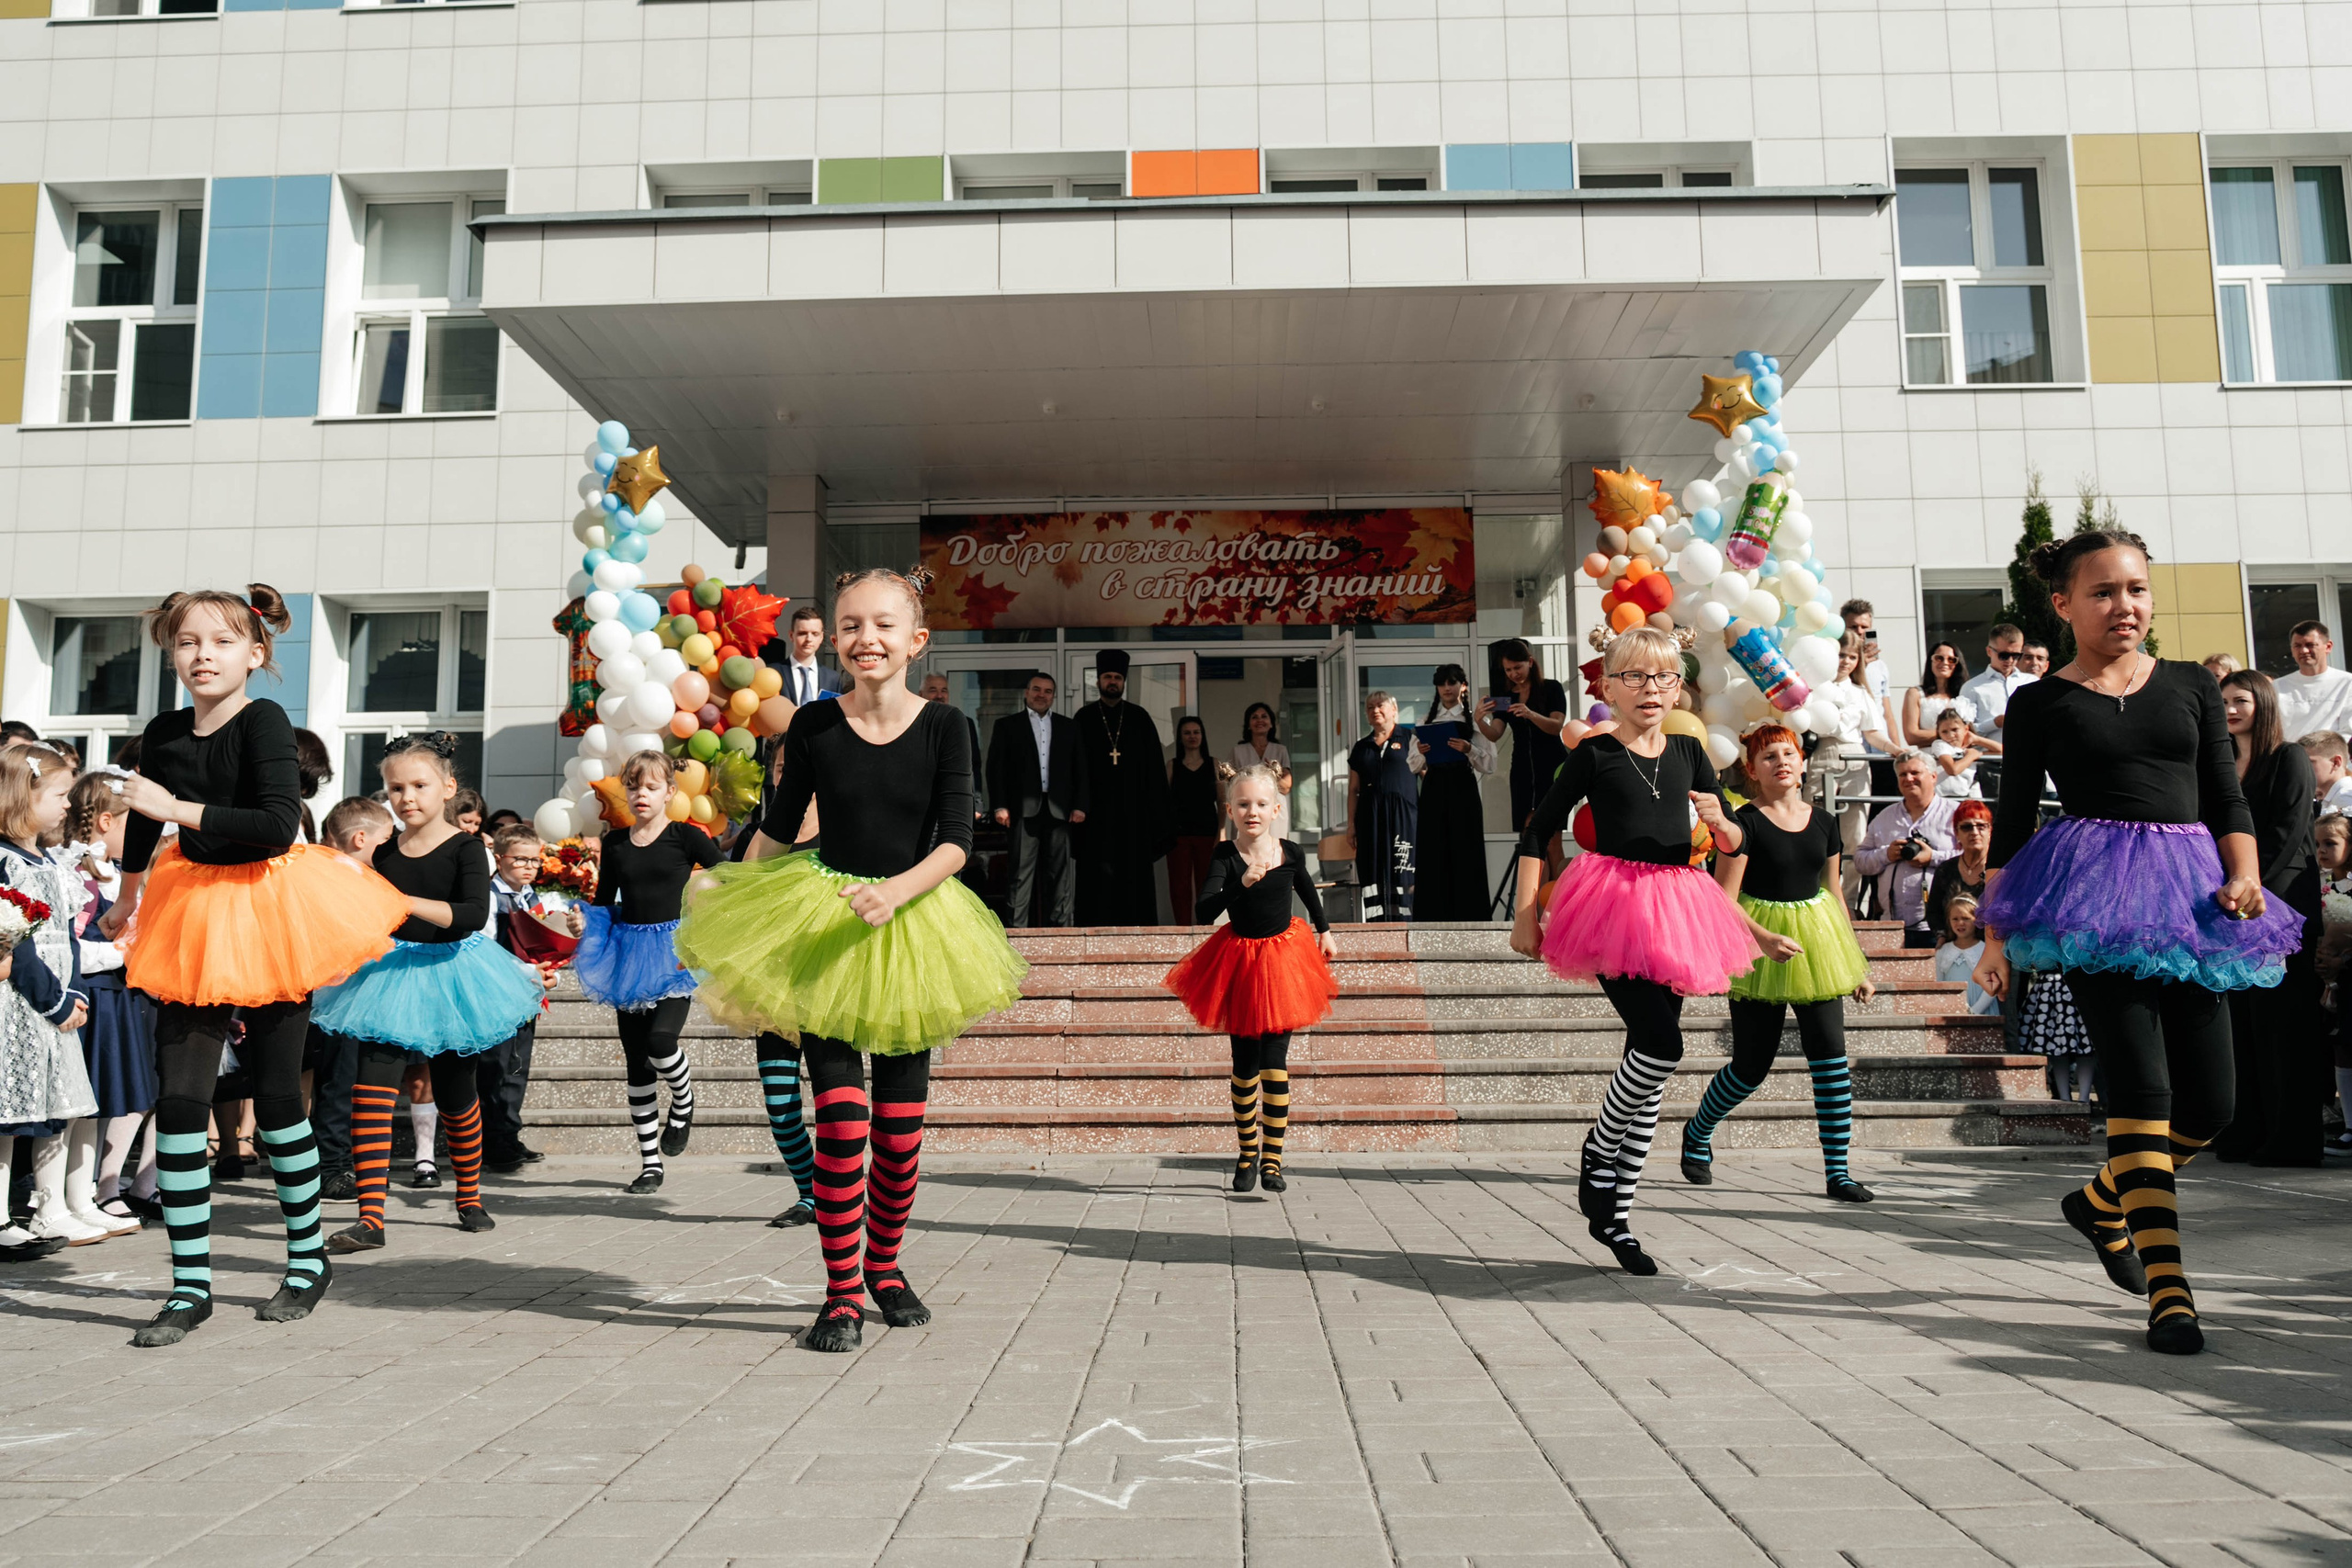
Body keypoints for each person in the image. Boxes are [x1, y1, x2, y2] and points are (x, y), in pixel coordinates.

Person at [675, 567, 1027, 1352]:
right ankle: (839, 1292)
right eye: (851, 625)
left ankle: (888, 1268)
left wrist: (895, 892)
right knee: (841, 1124)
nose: (867, 638)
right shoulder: (812, 726)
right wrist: (725, 888)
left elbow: (957, 844)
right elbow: (775, 823)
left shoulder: (947, 727)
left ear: (916, 640)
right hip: (825, 924)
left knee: (899, 1132)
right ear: (833, 637)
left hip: (914, 928)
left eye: (884, 625)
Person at [1976, 529, 2301, 1357]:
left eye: (2137, 590)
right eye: (2104, 592)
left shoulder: (2192, 685)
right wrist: (1995, 936)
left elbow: (2226, 798)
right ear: (2063, 604)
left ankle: (2097, 1200)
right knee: (2142, 1095)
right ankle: (2171, 1293)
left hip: (2194, 898)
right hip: (2093, 902)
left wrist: (2248, 877)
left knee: (2214, 1105)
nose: (2125, 606)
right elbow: (2011, 826)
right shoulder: (2039, 702)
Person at [101, 586, 412, 1347]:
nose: (202, 654)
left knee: (277, 1098)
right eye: (186, 642)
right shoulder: (166, 730)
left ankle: (307, 1260)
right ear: (171, 654)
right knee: (179, 1102)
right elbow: (142, 818)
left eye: (220, 641)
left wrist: (174, 810)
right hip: (192, 911)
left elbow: (276, 826)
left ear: (255, 653)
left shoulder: (264, 720)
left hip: (272, 907)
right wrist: (126, 895)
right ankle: (189, 1286)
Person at [1510, 627, 1756, 1276]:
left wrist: (1721, 819)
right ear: (1609, 686)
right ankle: (1597, 1149)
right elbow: (1539, 829)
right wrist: (1526, 913)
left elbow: (1732, 837)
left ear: (1680, 686)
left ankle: (1617, 1217)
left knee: (1648, 1073)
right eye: (1637, 678)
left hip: (1679, 908)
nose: (1652, 690)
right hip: (1613, 905)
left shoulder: (1688, 750)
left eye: (1664, 678)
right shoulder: (1594, 753)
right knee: (1662, 1047)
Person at [309, 733, 546, 1252]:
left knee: (457, 1093)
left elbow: (466, 917)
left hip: (453, 973)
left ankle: (468, 1195)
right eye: (396, 788)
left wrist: (401, 899)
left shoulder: (466, 848)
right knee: (371, 1094)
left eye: (419, 785)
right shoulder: (384, 850)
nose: (407, 797)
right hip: (390, 974)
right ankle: (371, 1217)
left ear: (447, 787)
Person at [1679, 725, 1877, 1202]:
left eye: (1788, 753)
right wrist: (1763, 938)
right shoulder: (1742, 822)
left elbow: (1834, 892)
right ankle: (1698, 1131)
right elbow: (1723, 898)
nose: (1781, 762)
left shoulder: (1826, 822)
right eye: (1768, 756)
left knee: (1830, 1059)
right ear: (1752, 770)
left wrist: (1857, 963)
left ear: (1804, 762)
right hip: (1756, 941)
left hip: (1818, 943)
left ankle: (1838, 1172)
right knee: (1751, 1065)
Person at [1161, 765, 1339, 1194]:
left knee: (1275, 1064)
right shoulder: (1225, 856)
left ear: (1276, 809)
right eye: (1243, 804)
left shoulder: (1290, 852)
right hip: (1239, 963)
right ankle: (1247, 1152)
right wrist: (1240, 883)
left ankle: (1273, 1161)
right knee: (1244, 1067)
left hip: (1283, 963)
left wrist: (1325, 929)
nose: (1252, 811)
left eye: (1261, 804)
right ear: (1230, 811)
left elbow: (1308, 892)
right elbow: (1204, 911)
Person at [572, 750, 721, 1192]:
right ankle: (650, 1163)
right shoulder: (616, 844)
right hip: (626, 954)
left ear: (670, 793)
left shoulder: (686, 837)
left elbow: (729, 877)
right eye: (634, 786)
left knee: (661, 1041)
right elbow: (603, 901)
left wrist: (709, 907)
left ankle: (683, 1096)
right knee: (637, 1064)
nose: (641, 795)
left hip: (674, 952)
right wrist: (585, 922)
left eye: (651, 787)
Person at [2212, 669, 2324, 1167]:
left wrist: (2250, 892)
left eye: (2241, 700)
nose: (2231, 709)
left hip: (2282, 908)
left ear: (2263, 704)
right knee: (2242, 1030)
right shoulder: (2218, 765)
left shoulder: (2289, 758)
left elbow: (2287, 834)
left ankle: (2293, 1140)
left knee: (2285, 1031)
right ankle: (2245, 1133)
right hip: (2232, 913)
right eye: (2224, 701)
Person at [0, 742, 103, 1251]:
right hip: (22, 1005)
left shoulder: (52, 861)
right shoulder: (5, 862)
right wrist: (54, 1001)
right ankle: (1, 1216)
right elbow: (15, 945)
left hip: (59, 1003)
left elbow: (67, 937)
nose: (69, 805)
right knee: (9, 1114)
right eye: (60, 794)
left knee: (54, 1110)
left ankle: (51, 1207)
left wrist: (76, 993)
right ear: (24, 796)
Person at [58, 770, 154, 1235]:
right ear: (103, 822)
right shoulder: (76, 873)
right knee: (77, 1105)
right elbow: (68, 945)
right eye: (131, 827)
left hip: (117, 997)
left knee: (102, 1103)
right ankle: (57, 1200)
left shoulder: (119, 876)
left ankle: (90, 1195)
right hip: (90, 997)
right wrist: (117, 952)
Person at [306, 796, 398, 1201]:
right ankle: (331, 1168)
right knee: (338, 1083)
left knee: (358, 1083)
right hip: (339, 992)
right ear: (361, 838)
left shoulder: (362, 875)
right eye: (387, 839)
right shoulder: (332, 877)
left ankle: (354, 1164)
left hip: (365, 991)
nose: (392, 847)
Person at [484, 823, 572, 1172]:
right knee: (494, 1068)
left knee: (517, 1068)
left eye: (534, 861)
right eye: (519, 859)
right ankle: (492, 1142)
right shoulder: (491, 897)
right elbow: (486, 947)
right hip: (496, 992)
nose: (528, 867)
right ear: (499, 858)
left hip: (528, 993)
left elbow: (544, 943)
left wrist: (551, 969)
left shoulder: (532, 896)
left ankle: (509, 1133)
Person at [1073, 650, 1170, 925]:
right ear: (1099, 681)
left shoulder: (1140, 718)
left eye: (1117, 677)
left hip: (1135, 817)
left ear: (1123, 681)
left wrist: (1157, 816)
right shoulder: (1084, 718)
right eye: (1107, 677)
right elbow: (1074, 768)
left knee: (1134, 877)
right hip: (1095, 818)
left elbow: (1155, 772)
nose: (1112, 682)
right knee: (1095, 878)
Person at [987, 671, 1087, 929]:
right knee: (1020, 874)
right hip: (1022, 810)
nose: (1041, 695)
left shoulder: (1069, 727)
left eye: (1047, 691)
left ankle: (1062, 933)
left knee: (1060, 875)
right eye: (1037, 690)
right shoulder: (1007, 726)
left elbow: (1080, 769)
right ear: (1026, 693)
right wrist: (1000, 805)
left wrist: (1080, 805)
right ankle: (1016, 933)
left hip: (1059, 809)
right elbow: (996, 769)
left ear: (1053, 696)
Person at [1813, 630, 1896, 906]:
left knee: (1856, 835)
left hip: (1856, 757)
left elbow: (1872, 733)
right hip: (1822, 753)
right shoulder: (1813, 687)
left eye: (1851, 656)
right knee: (1813, 829)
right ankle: (1816, 895)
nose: (1845, 661)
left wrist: (1895, 749)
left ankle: (1849, 903)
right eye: (1840, 655)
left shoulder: (1861, 692)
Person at [1411, 663, 1495, 922]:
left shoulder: (1475, 720)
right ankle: (1433, 915)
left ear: (1463, 686)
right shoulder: (1426, 721)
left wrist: (1469, 749)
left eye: (1452, 682)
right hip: (1434, 787)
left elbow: (1490, 764)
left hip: (1463, 787)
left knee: (1466, 847)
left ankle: (1472, 914)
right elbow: (1412, 763)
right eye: (1442, 683)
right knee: (1433, 849)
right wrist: (1422, 753)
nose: (1447, 688)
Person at [1476, 638, 1572, 854]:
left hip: (1551, 766)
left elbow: (1556, 726)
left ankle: (1556, 887)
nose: (1513, 674)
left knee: (1553, 836)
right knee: (1528, 834)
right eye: (1508, 670)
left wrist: (1530, 713)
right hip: (1522, 768)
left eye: (1517, 667)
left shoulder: (1551, 688)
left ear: (1530, 662)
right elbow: (1495, 734)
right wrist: (1480, 720)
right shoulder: (1507, 698)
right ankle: (1533, 886)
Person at [1856, 752, 1958, 947]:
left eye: (1915, 772)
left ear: (1934, 777)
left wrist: (1933, 857)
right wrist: (1885, 854)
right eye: (1903, 775)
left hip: (1943, 926)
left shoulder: (1954, 814)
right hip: (1891, 925)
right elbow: (1860, 861)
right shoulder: (1884, 817)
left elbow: (1974, 858)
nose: (1909, 778)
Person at [1347, 692, 1418, 923]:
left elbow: (1427, 775)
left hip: (1404, 817)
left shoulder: (1410, 738)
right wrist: (1351, 826)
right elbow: (1353, 790)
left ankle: (1407, 922)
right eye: (1370, 707)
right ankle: (1376, 925)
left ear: (1394, 710)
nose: (1375, 710)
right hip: (1370, 817)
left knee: (1403, 868)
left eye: (1380, 705)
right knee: (1373, 869)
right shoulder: (1361, 747)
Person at [1166, 717, 1222, 923]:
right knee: (1179, 887)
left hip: (1207, 833)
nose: (1192, 736)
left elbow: (1223, 800)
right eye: (1187, 733)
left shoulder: (1213, 764)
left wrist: (1222, 832)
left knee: (1205, 885)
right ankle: (1181, 930)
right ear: (1180, 738)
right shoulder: (1172, 766)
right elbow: (1164, 803)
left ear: (1202, 735)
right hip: (1178, 835)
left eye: (1196, 732)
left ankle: (1204, 930)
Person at [918, 671, 986, 826]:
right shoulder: (912, 723)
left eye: (944, 690)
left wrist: (977, 802)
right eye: (933, 690)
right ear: (921, 694)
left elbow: (973, 765)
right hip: (921, 808)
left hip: (954, 806)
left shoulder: (964, 723)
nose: (939, 695)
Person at [1925, 798, 1993, 941]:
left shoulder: (1999, 870)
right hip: (1953, 947)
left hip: (1992, 949)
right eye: (1966, 827)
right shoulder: (1945, 870)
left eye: (1981, 826)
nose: (1974, 832)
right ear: (1956, 832)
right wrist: (1942, 936)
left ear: (1990, 830)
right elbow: (1934, 912)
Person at [1903, 643, 1992, 750]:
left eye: (1951, 660)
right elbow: (1911, 737)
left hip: (1963, 760)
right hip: (1930, 760)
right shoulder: (1915, 694)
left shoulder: (1965, 693)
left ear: (1957, 664)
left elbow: (1974, 732)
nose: (1945, 663)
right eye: (1939, 658)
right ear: (1930, 661)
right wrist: (1955, 734)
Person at [2275, 619, 2352, 739]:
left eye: (2310, 645)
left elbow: (2348, 731)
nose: (2304, 651)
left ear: (2328, 646)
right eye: (2297, 646)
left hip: (2332, 756)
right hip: (2291, 756)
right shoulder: (2277, 687)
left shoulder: (2347, 683)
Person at [1228, 703, 1294, 841]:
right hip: (1246, 808)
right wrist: (1272, 777)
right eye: (1254, 717)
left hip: (1274, 808)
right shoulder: (1238, 751)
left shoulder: (1280, 750)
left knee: (1275, 850)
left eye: (1264, 717)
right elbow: (1233, 785)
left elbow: (1286, 787)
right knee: (1244, 851)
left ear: (1271, 724)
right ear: (1248, 724)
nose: (1260, 720)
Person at [775, 602, 850, 707]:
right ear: (791, 636)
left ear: (821, 637)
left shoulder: (833, 679)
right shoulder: (774, 673)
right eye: (802, 633)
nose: (809, 639)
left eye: (815, 634)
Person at [1959, 622, 2029, 734]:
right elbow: (1962, 732)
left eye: (2016, 656)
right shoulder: (1971, 687)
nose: (2010, 660)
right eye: (2004, 655)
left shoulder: (2031, 682)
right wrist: (1994, 723)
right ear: (1989, 651)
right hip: (1989, 751)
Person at [1936, 895, 1999, 1016]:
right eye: (1955, 919)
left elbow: (1993, 985)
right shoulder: (1943, 951)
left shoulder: (1986, 950)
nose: (1960, 923)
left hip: (1982, 1011)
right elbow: (1939, 983)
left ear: (1976, 920)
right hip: (1952, 1011)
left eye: (1966, 918)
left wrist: (1975, 1011)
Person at [1928, 708, 1986, 798]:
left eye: (1954, 729)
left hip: (1964, 797)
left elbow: (2001, 751)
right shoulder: (1939, 745)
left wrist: (1977, 739)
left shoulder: (1969, 750)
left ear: (1966, 729)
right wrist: (1970, 757)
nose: (1950, 735)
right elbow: (1952, 770)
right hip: (1943, 798)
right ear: (1938, 733)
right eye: (1944, 731)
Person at [2298, 729, 2352, 815]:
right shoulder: (2333, 797)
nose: (2301, 768)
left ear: (2336, 762)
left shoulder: (2345, 797)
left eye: (2309, 762)